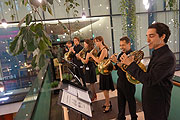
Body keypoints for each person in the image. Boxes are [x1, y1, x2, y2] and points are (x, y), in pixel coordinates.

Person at [120, 22, 176, 120]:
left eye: (151, 36)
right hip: (150, 101)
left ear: (163, 36)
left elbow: (149, 80)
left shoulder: (168, 57)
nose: (147, 40)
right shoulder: (157, 53)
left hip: (158, 103)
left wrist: (131, 64)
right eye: (147, 36)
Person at [111, 36, 138, 120]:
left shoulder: (132, 54)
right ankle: (121, 117)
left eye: (123, 45)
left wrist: (116, 61)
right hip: (121, 81)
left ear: (129, 44)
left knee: (131, 101)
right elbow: (117, 67)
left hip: (128, 82)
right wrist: (110, 65)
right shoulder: (121, 54)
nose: (121, 47)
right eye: (120, 45)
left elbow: (126, 67)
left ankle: (134, 117)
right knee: (120, 101)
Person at [88, 36, 115, 113]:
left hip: (105, 72)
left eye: (96, 41)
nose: (95, 43)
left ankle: (108, 105)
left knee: (106, 89)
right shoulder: (100, 49)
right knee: (103, 89)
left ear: (100, 41)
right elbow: (99, 62)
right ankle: (107, 102)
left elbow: (99, 60)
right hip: (102, 71)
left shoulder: (104, 50)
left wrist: (92, 56)